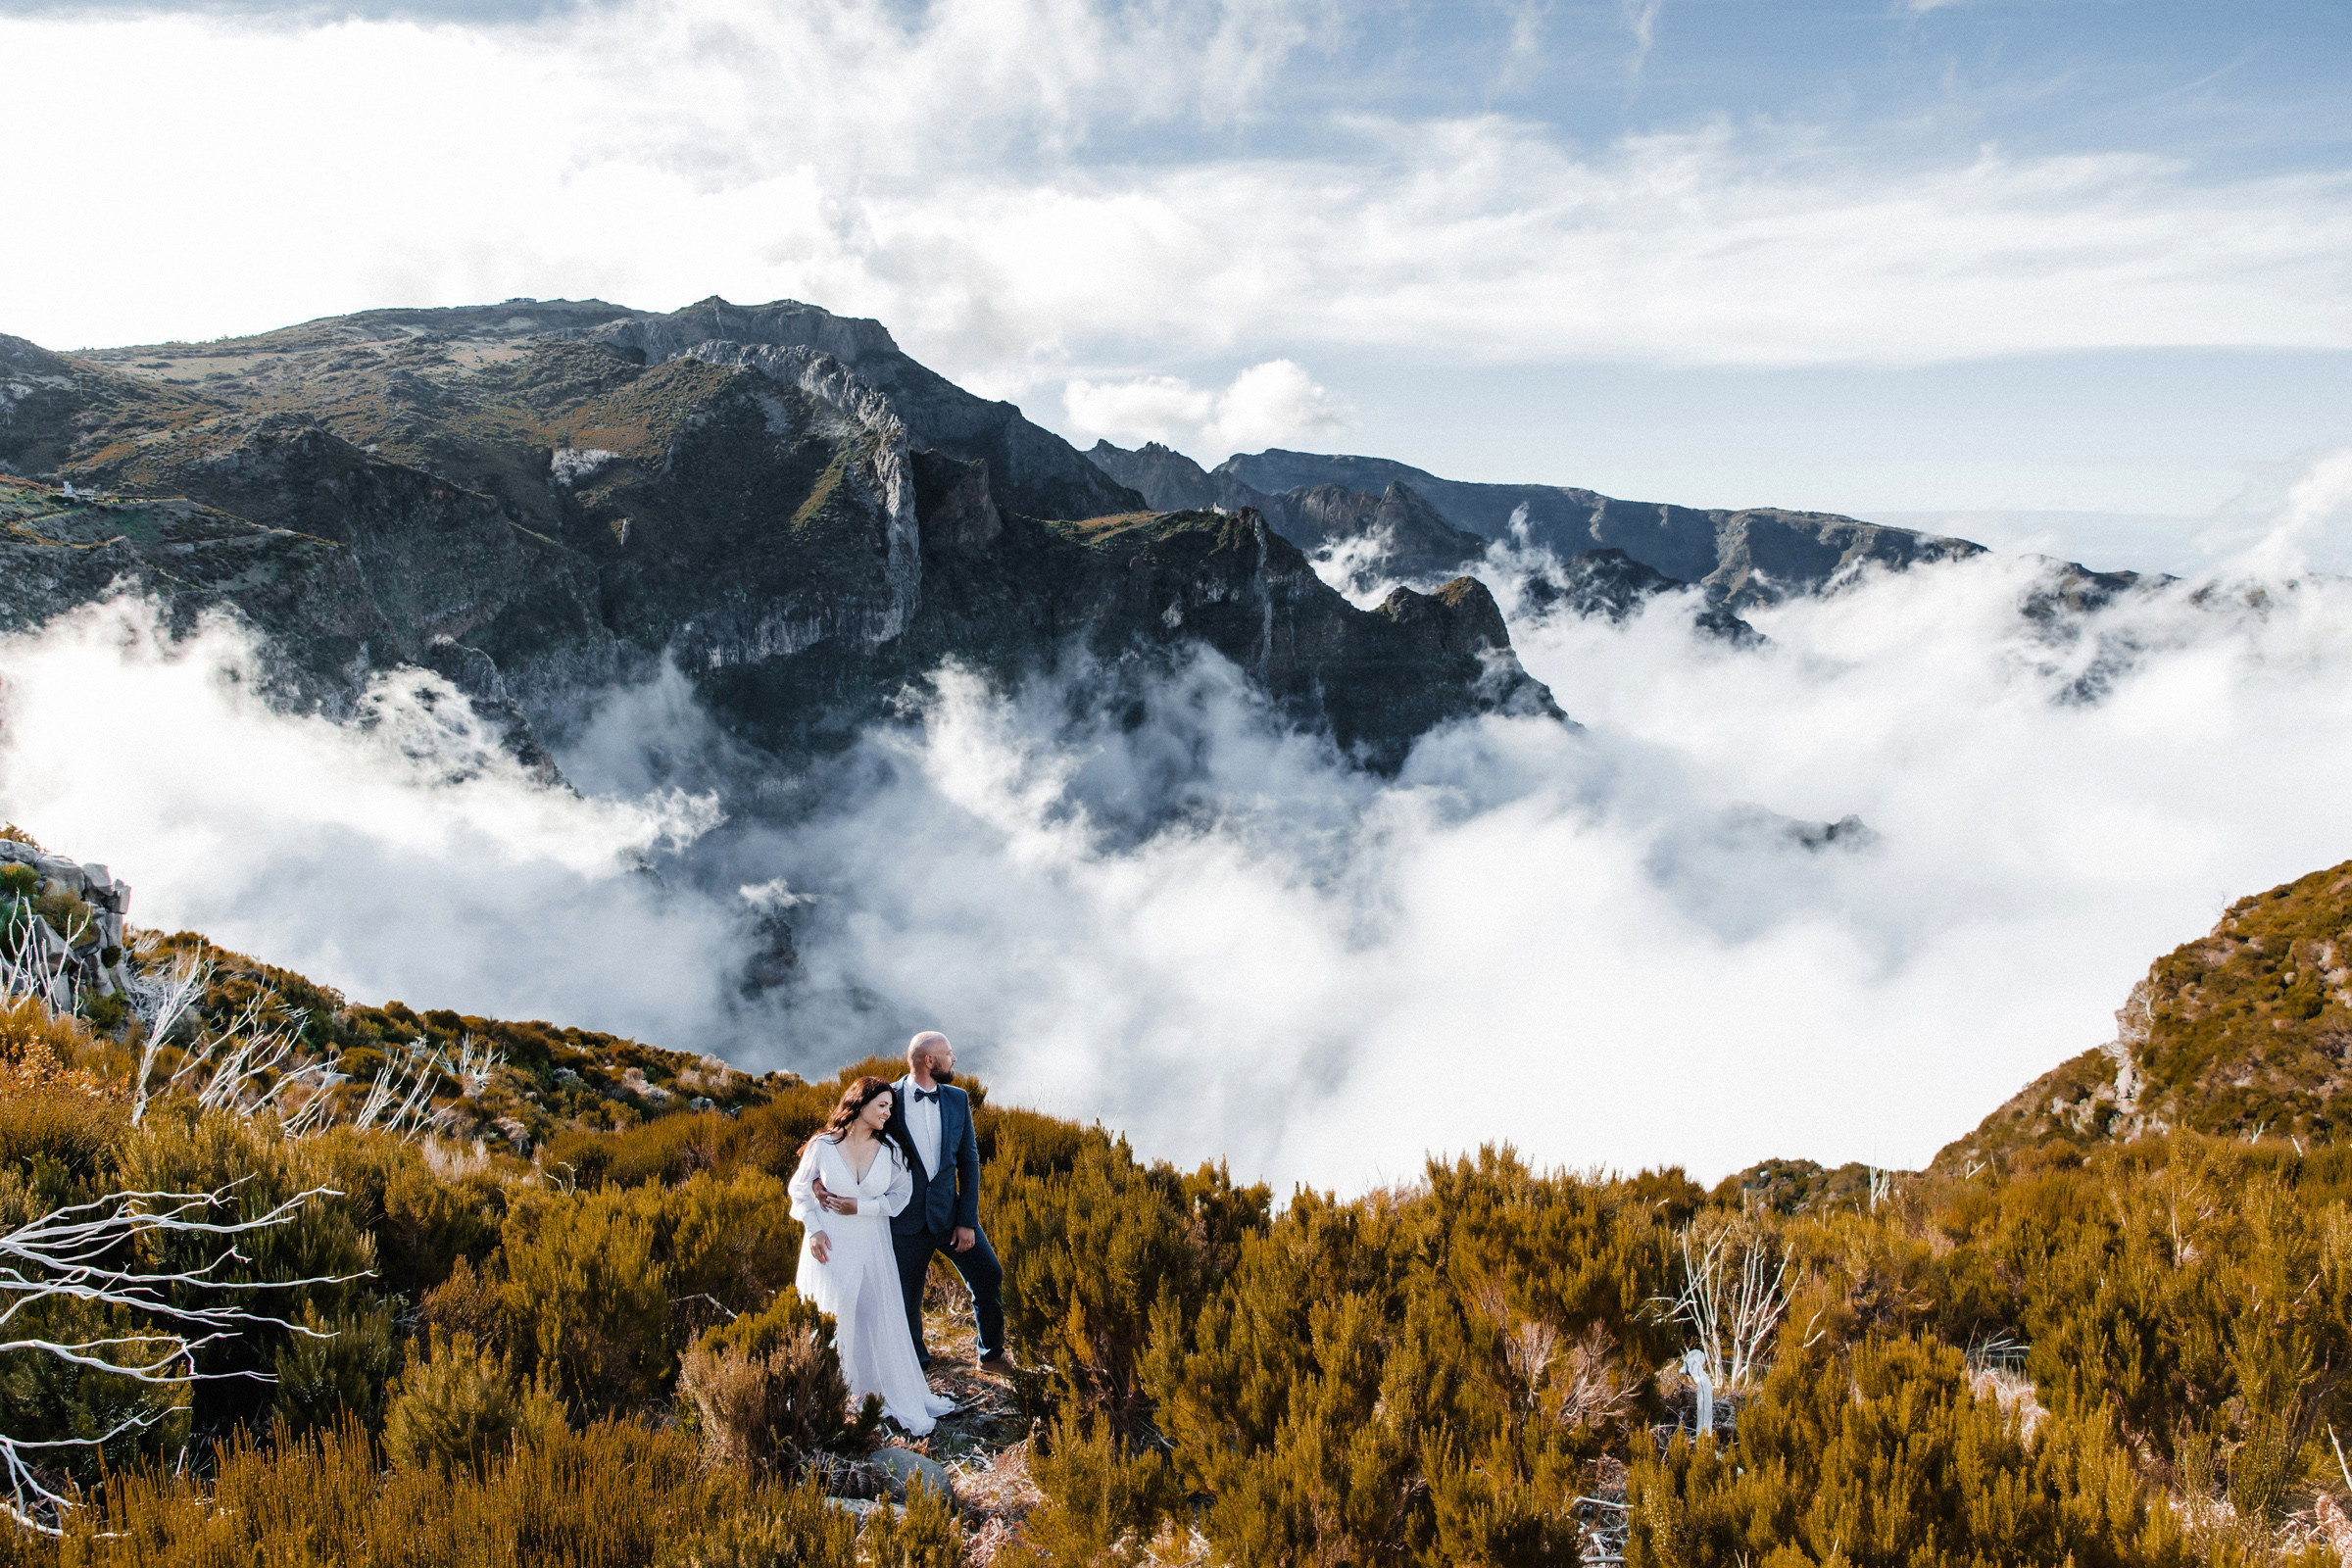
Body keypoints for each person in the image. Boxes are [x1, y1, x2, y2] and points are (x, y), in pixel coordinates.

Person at [787, 1075, 956, 1434]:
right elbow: (799, 1190)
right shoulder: (823, 1145)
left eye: (890, 1108)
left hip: (871, 1244)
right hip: (829, 1245)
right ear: (860, 1104)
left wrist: (861, 1207)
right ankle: (830, 1393)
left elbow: (900, 1197)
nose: (887, 1113)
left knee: (873, 1313)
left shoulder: (891, 1150)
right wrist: (814, 1230)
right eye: (881, 1106)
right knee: (834, 1314)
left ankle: (870, 1390)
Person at [884, 1031, 1005, 1367]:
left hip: (950, 1215)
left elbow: (969, 1161)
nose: (954, 1059)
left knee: (988, 1274)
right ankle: (916, 1365)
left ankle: (991, 1355)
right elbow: (854, 1137)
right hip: (903, 1220)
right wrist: (818, 1172)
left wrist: (967, 1220)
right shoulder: (887, 1098)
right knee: (906, 1299)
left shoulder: (957, 1098)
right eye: (949, 1053)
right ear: (929, 1061)